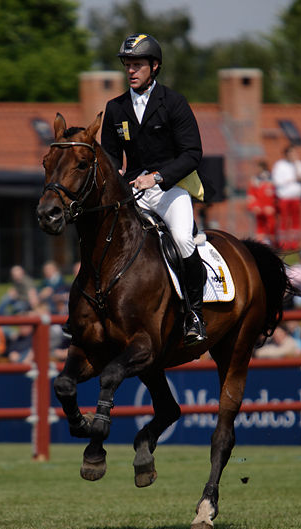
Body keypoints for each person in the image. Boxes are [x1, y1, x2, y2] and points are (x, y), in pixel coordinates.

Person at [101, 33, 207, 345]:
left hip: (170, 190)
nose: (131, 71)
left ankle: (194, 314)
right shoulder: (116, 108)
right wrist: (115, 176)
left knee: (183, 241)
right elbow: (108, 156)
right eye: (127, 65)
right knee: (105, 240)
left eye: (137, 65)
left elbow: (192, 154)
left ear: (154, 66)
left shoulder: (174, 103)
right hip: (133, 192)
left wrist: (157, 177)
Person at [271, 145, 301, 250]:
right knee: (284, 221)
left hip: (296, 197)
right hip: (284, 197)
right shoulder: (279, 165)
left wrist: (296, 165)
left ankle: (295, 243)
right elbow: (277, 181)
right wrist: (291, 179)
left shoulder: (299, 164)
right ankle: (284, 243)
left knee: (296, 222)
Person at [246, 161, 277, 245]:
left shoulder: (271, 179)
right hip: (259, 208)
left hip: (269, 208)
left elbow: (275, 194)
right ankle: (261, 244)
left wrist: (272, 206)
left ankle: (272, 245)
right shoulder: (255, 180)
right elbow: (251, 195)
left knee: (271, 227)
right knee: (260, 227)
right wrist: (254, 206)